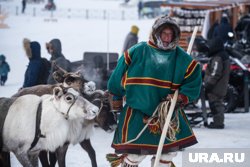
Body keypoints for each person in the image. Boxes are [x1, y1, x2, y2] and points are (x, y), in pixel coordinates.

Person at [107, 16, 202, 167]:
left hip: (167, 114)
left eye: (171, 34)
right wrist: (117, 96)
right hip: (137, 112)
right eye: (164, 33)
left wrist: (181, 97)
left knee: (167, 153)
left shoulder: (182, 58)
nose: (167, 37)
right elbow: (117, 75)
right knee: (135, 153)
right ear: (156, 33)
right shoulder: (138, 51)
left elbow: (194, 81)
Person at [204, 37, 230, 129]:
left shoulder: (218, 57)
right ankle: (218, 121)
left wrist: (208, 84)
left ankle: (218, 123)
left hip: (216, 86)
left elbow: (215, 73)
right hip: (220, 85)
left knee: (215, 104)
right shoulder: (222, 55)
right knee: (217, 104)